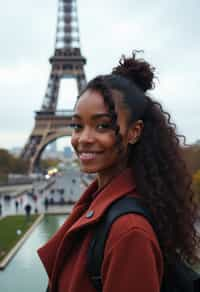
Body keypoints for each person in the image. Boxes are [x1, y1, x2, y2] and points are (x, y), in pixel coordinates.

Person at [38, 52, 200, 292]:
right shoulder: (107, 207)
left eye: (103, 125)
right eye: (77, 125)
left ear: (134, 132)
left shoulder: (129, 232)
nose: (83, 139)